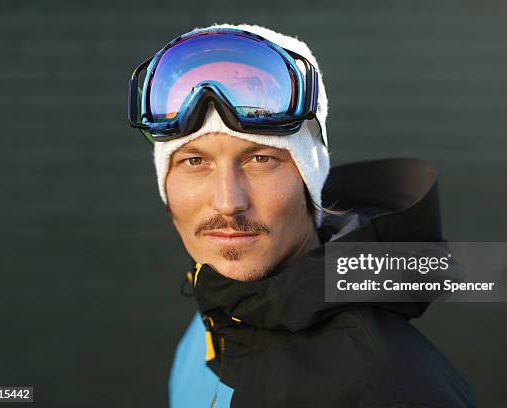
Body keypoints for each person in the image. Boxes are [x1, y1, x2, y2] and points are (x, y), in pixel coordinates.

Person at [129, 23, 477, 407]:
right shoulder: (214, 324)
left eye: (261, 159)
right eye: (195, 161)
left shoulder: (386, 386)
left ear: (310, 179)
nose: (228, 203)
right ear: (166, 186)